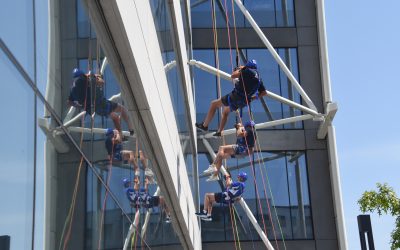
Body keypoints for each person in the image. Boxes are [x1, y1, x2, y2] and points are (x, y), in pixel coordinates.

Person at [195, 59, 266, 137]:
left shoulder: (246, 71)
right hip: (244, 101)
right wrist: (253, 97)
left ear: (248, 65)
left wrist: (240, 69)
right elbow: (264, 93)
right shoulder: (259, 79)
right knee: (225, 112)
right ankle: (219, 132)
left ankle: (204, 126)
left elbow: (233, 75)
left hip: (235, 96)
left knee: (214, 104)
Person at [68, 68, 134, 138]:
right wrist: (96, 77)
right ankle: (131, 129)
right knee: (122, 109)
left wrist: (80, 106)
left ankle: (120, 135)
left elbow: (69, 102)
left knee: (115, 117)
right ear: (81, 75)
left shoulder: (73, 89)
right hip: (101, 103)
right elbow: (102, 82)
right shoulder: (83, 80)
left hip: (95, 109)